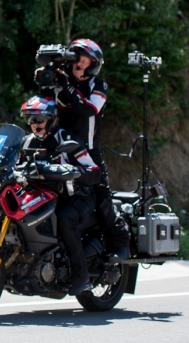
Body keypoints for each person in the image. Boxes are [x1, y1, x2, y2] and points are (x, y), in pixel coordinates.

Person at [42, 39, 130, 261]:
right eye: (76, 60)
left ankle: (121, 244)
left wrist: (66, 85)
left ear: (92, 64)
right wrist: (46, 76)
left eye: (84, 61)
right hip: (60, 151)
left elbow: (87, 110)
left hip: (89, 153)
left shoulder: (98, 86)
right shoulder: (61, 83)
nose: (79, 65)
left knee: (102, 199)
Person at [20, 96, 102, 295]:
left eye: (39, 119)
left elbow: (94, 170)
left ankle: (80, 275)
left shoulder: (68, 140)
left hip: (78, 197)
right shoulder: (26, 142)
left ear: (52, 119)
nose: (34, 124)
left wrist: (72, 171)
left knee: (65, 219)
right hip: (45, 197)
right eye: (31, 120)